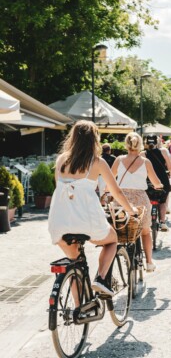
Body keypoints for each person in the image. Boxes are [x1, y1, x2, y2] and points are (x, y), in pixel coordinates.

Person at [48, 120, 136, 297]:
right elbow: (116, 191)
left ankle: (79, 310)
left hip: (60, 222)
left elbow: (60, 189)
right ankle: (101, 279)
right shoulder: (97, 162)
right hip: (87, 221)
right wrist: (130, 210)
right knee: (112, 240)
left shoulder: (61, 160)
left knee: (73, 263)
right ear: (94, 140)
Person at [111, 132, 164, 271]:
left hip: (121, 199)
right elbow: (155, 182)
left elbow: (109, 181)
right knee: (145, 232)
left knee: (121, 229)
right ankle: (149, 263)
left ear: (126, 144)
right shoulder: (145, 162)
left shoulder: (118, 160)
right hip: (140, 198)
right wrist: (159, 186)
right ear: (140, 144)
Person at [141, 134, 171, 231]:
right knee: (163, 202)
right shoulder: (163, 151)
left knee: (147, 200)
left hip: (148, 181)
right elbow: (170, 167)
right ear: (157, 142)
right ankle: (163, 222)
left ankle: (147, 221)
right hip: (162, 181)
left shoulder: (142, 154)